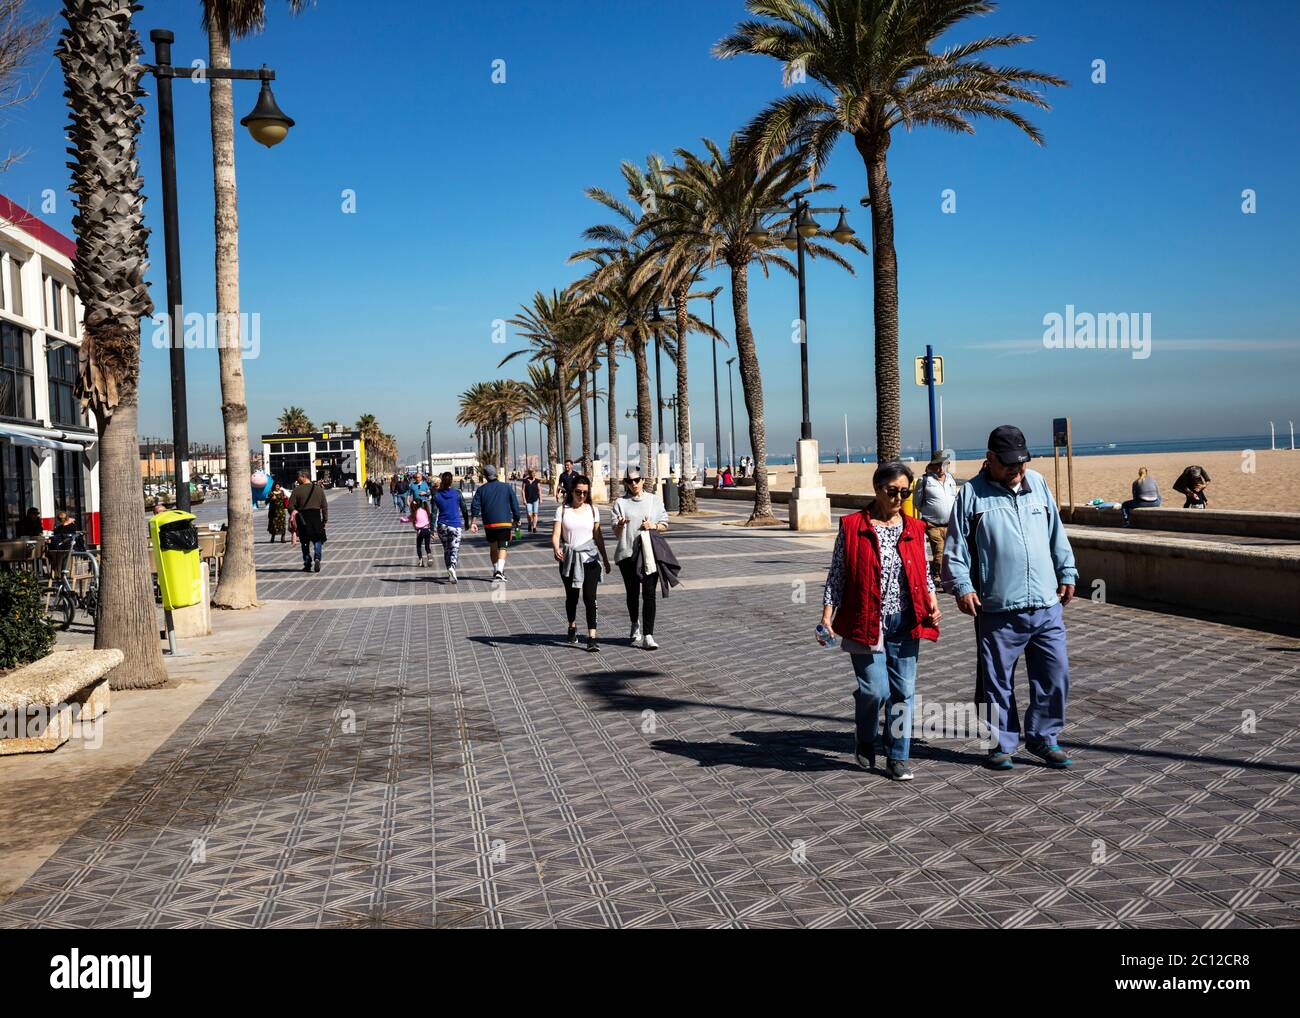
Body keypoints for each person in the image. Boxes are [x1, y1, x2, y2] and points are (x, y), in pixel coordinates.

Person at [943, 425, 1077, 771]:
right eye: (1009, 464)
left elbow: (1056, 534)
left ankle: (1044, 738)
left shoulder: (1039, 485)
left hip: (1046, 605)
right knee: (996, 682)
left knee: (1055, 674)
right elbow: (955, 548)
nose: (1017, 470)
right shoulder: (971, 494)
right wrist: (962, 586)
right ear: (990, 459)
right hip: (998, 607)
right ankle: (1000, 744)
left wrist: (1067, 571)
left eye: (1022, 462)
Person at [820, 461, 941, 780]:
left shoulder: (915, 529)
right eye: (893, 491)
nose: (900, 497)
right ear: (876, 489)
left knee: (904, 692)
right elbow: (837, 577)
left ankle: (898, 755)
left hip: (906, 621)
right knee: (875, 691)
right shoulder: (852, 527)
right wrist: (827, 619)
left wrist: (932, 601)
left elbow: (925, 574)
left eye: (906, 491)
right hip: (865, 620)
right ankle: (864, 736)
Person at [611, 467, 668, 650]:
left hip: (649, 554)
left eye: (637, 480)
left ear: (643, 480)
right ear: (625, 483)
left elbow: (665, 524)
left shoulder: (654, 500)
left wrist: (653, 525)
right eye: (629, 481)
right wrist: (620, 525)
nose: (633, 484)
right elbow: (616, 533)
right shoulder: (620, 503)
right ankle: (635, 623)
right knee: (632, 593)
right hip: (627, 554)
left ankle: (648, 635)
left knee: (649, 594)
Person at [552, 474, 611, 652]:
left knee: (590, 599)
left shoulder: (593, 510)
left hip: (590, 560)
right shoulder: (562, 510)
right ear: (572, 491)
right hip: (569, 560)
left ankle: (592, 638)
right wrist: (556, 548)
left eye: (586, 492)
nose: (582, 496)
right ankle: (572, 626)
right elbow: (556, 535)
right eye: (579, 492)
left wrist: (606, 559)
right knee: (572, 598)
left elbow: (598, 537)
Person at [911, 451, 959, 582]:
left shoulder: (950, 479)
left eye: (943, 464)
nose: (940, 468)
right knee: (939, 551)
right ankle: (939, 577)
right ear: (932, 466)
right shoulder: (925, 480)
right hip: (933, 525)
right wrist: (930, 513)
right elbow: (917, 502)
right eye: (937, 465)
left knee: (951, 552)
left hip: (950, 524)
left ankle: (948, 575)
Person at [470, 464, 521, 582]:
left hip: (489, 524)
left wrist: (474, 522)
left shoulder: (481, 490)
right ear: (496, 474)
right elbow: (515, 504)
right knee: (503, 547)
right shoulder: (507, 487)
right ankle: (499, 571)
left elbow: (475, 506)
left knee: (493, 547)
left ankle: (495, 570)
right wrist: (517, 518)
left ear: (485, 476)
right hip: (504, 523)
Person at [432, 472, 469, 583]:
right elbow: (464, 509)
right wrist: (467, 522)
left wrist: (431, 529)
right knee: (454, 548)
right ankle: (452, 567)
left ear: (442, 480)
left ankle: (449, 571)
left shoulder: (436, 495)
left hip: (442, 526)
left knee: (446, 549)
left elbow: (433, 513)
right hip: (455, 525)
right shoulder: (457, 493)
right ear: (452, 481)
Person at [288, 469, 328, 573]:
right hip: (315, 517)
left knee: (305, 542)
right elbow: (324, 506)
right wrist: (325, 520)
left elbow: (290, 506)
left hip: (303, 518)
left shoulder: (297, 490)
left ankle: (307, 563)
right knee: (317, 539)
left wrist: (294, 512)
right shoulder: (319, 489)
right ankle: (317, 558)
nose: (297, 479)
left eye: (298, 477)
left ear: (303, 477)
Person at [411, 498, 433, 566]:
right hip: (427, 530)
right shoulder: (425, 510)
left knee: (419, 546)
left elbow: (408, 519)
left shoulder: (415, 512)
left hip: (420, 531)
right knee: (427, 545)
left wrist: (402, 519)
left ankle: (421, 561)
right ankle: (429, 556)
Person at [522, 469, 542, 533]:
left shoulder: (537, 481)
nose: (534, 475)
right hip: (528, 500)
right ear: (530, 474)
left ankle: (534, 527)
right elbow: (523, 490)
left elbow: (539, 490)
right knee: (529, 514)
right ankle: (529, 524)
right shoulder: (525, 481)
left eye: (534, 473)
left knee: (535, 513)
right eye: (532, 473)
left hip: (535, 499)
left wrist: (540, 498)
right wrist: (524, 500)